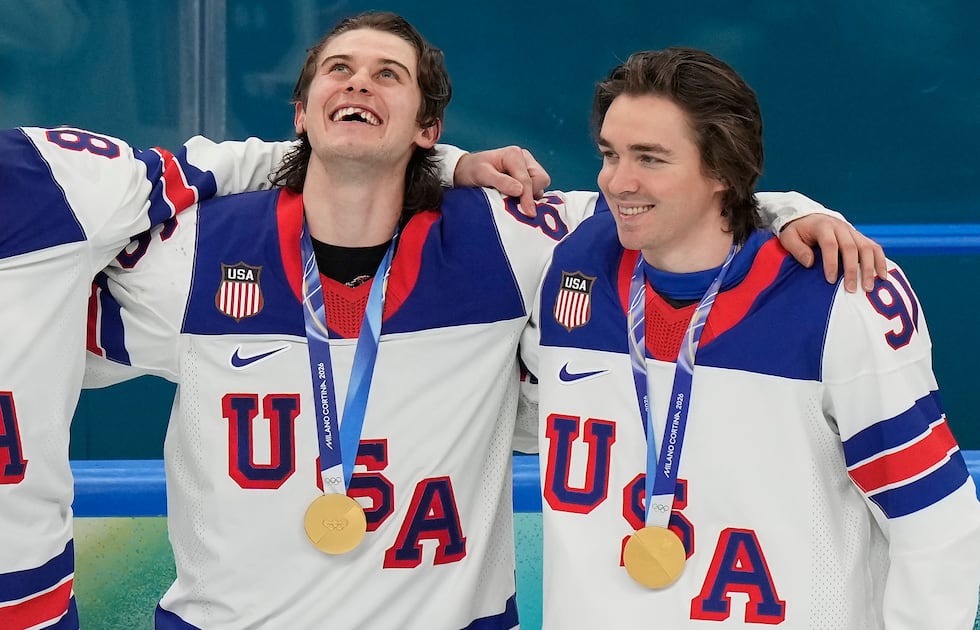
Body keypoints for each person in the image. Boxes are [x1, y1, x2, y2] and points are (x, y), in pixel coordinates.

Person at [84, 13, 884, 630]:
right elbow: (53, 316)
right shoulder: (193, 253)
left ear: (428, 130)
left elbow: (665, 207)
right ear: (302, 110)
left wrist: (790, 211)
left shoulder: (502, 239)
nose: (360, 84)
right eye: (339, 70)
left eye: (388, 75)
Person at [522, 47, 980, 629]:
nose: (618, 181)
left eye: (650, 158)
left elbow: (934, 524)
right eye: (610, 154)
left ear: (723, 170)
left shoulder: (838, 298)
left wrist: (784, 211)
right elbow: (416, 186)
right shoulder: (568, 259)